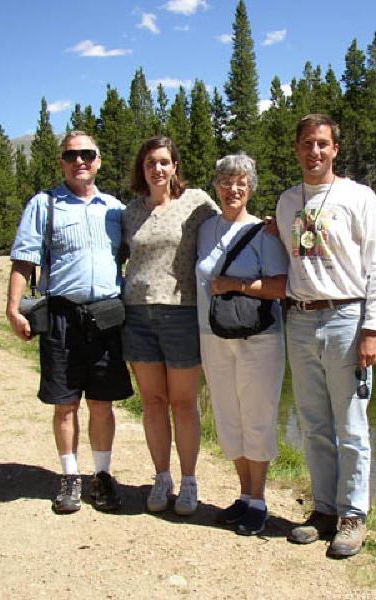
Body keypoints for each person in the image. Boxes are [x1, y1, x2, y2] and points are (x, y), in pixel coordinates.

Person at [276, 114, 376, 557]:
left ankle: (353, 515)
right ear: (297, 149)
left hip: (347, 318)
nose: (315, 152)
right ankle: (324, 510)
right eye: (307, 144)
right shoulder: (288, 202)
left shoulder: (358, 197)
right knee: (313, 424)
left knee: (352, 425)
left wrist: (372, 327)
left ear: (335, 149)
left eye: (323, 144)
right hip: (301, 319)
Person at [6, 131, 132, 514]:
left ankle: (103, 476)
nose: (80, 161)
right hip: (61, 315)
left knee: (102, 403)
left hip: (107, 315)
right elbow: (24, 260)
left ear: (99, 160)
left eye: (87, 154)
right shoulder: (44, 205)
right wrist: (13, 308)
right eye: (72, 155)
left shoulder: (116, 209)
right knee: (64, 404)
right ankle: (70, 476)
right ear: (61, 161)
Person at [121, 136, 218, 516]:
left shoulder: (196, 203)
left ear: (175, 166)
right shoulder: (130, 211)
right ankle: (162, 477)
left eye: (164, 162)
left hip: (181, 314)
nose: (157, 169)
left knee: (183, 402)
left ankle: (190, 480)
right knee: (153, 402)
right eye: (150, 163)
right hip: (138, 316)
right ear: (141, 169)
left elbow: (230, 226)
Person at [195, 153, 288, 535]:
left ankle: (259, 499)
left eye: (241, 183)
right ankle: (243, 494)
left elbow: (280, 287)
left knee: (257, 414)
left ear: (250, 188)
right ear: (216, 186)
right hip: (211, 334)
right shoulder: (204, 228)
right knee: (228, 415)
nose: (233, 189)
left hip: (258, 338)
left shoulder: (264, 232)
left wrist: (234, 284)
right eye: (226, 181)